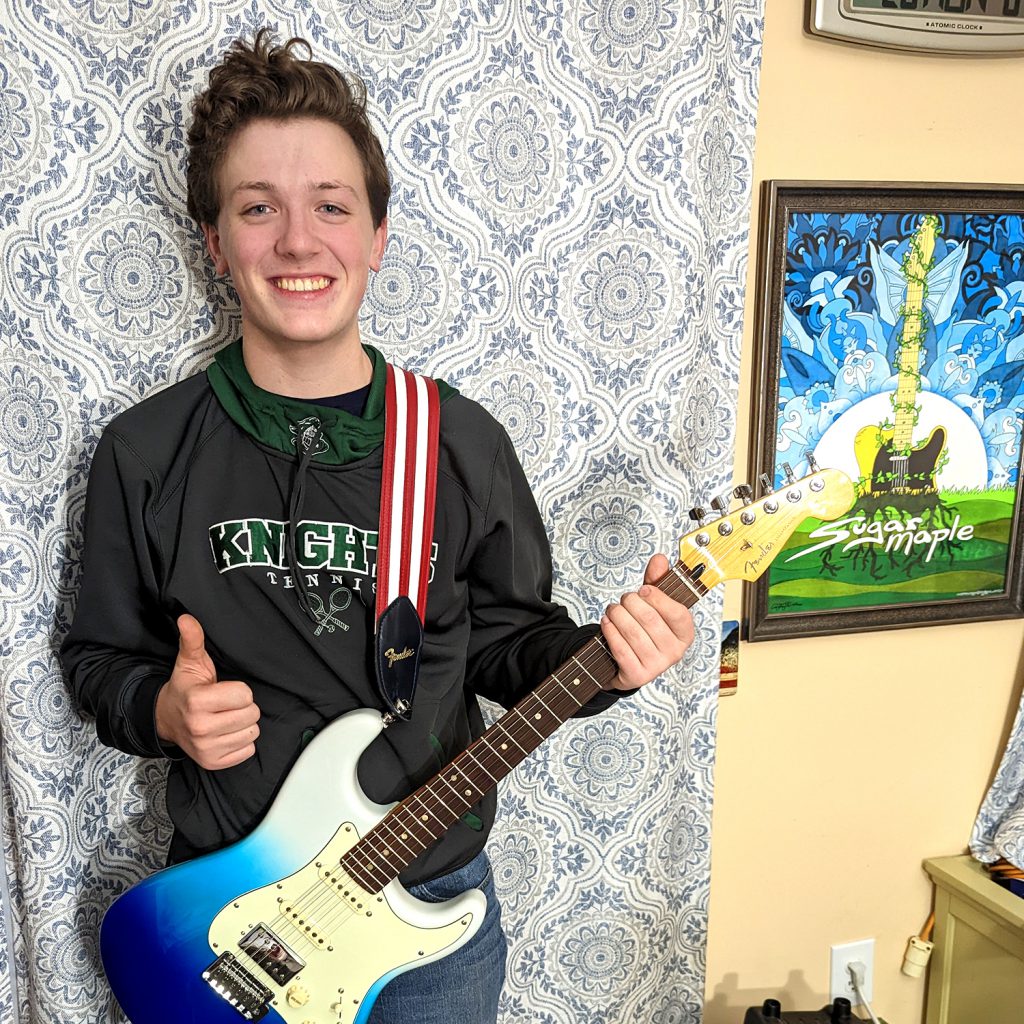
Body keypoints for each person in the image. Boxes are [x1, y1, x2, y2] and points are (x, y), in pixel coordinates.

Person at [60, 30, 694, 1024]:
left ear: (378, 236)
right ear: (216, 244)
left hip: (425, 922)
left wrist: (610, 658)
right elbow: (97, 658)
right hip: (223, 919)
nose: (299, 242)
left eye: (331, 207)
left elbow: (506, 643)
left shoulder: (459, 444)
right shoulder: (145, 452)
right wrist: (164, 711)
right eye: (258, 208)